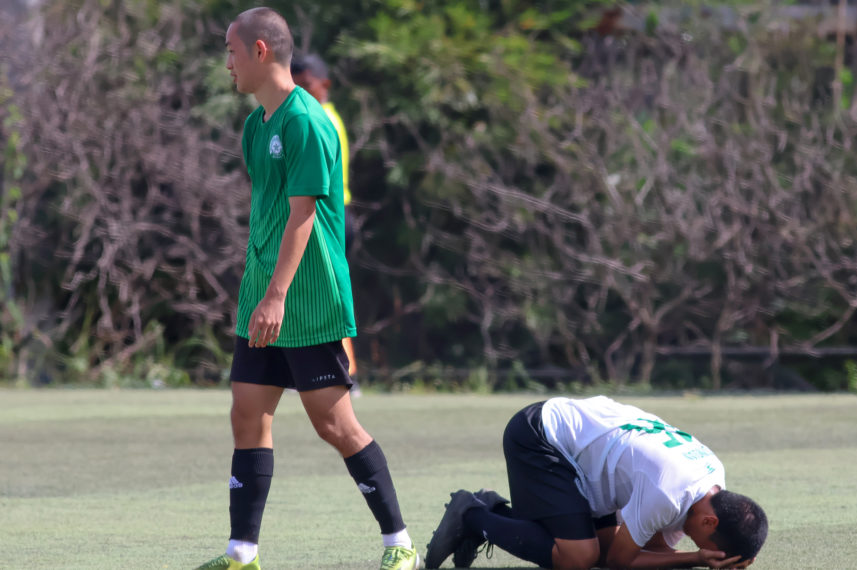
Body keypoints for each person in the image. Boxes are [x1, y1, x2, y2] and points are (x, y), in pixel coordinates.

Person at [195, 8, 419, 570]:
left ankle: (401, 545)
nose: (227, 62)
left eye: (231, 50)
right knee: (247, 414)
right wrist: (259, 293)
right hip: (263, 299)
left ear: (261, 51)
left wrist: (277, 296)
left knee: (335, 426)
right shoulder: (255, 127)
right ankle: (242, 554)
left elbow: (302, 216)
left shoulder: (307, 121)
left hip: (307, 301)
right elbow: (269, 214)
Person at [424, 396, 768, 569]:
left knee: (599, 551)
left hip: (590, 461)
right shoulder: (670, 490)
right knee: (579, 558)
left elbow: (656, 550)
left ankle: (495, 510)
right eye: (704, 538)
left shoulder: (711, 478)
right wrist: (695, 558)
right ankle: (471, 514)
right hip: (542, 436)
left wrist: (699, 556)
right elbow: (621, 563)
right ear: (710, 520)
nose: (697, 540)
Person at [290, 53, 361, 397]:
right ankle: (307, 370)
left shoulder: (322, 119)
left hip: (330, 217)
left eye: (306, 85)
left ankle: (344, 374)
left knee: (329, 297)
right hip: (326, 215)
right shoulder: (317, 116)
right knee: (309, 294)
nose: (300, 91)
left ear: (325, 84)